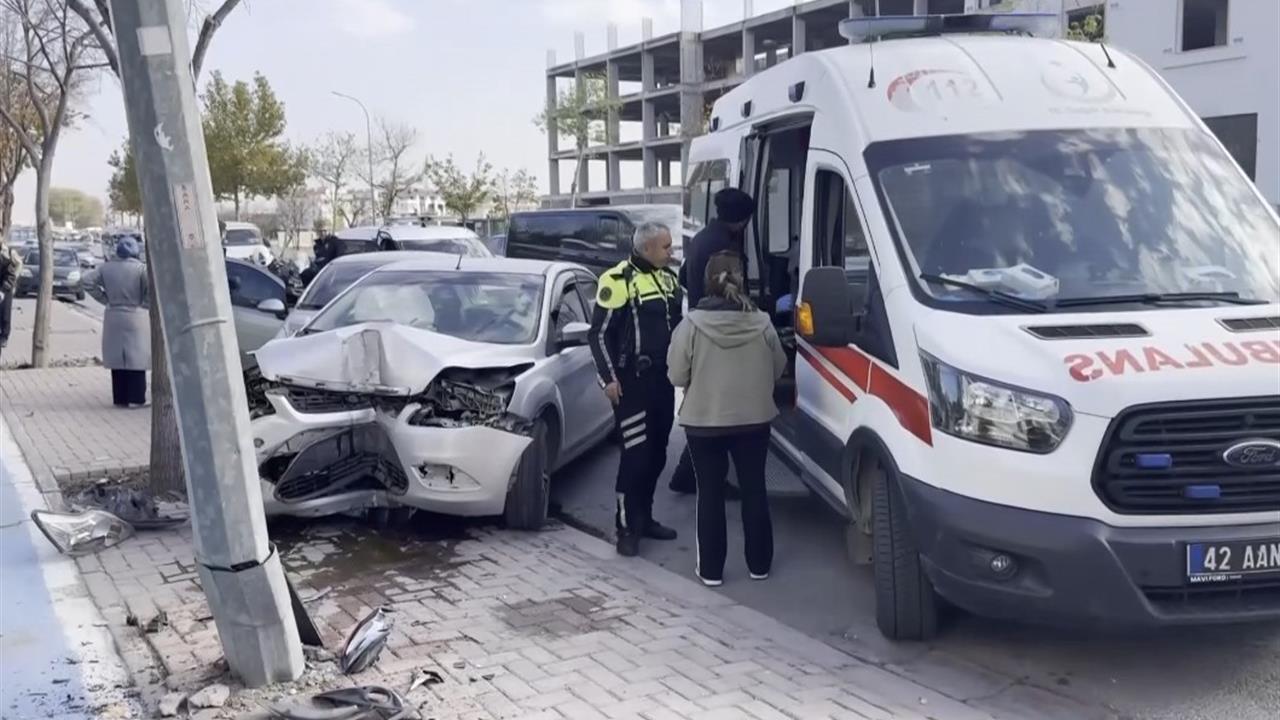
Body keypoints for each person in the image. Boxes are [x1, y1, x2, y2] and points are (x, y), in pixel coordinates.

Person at [668, 251, 786, 586]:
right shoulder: (762, 322)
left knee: (709, 493)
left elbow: (676, 375)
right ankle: (759, 566)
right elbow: (778, 367)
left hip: (704, 422)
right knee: (754, 489)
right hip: (754, 420)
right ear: (742, 279)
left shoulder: (691, 324)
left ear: (707, 281)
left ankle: (711, 571)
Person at [588, 222, 683, 557]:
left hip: (663, 381)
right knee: (636, 457)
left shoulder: (670, 279)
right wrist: (609, 379)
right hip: (632, 384)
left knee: (657, 454)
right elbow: (598, 335)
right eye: (666, 246)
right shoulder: (617, 280)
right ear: (647, 248)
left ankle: (645, 517)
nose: (671, 252)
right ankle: (626, 527)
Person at [669, 187, 757, 494]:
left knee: (710, 408)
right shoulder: (725, 247)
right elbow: (733, 292)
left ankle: (686, 474)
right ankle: (697, 477)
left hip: (700, 326)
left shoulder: (701, 238)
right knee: (719, 413)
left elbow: (683, 278)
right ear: (742, 220)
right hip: (719, 332)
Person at [83, 237, 151, 407]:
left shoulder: (106, 267)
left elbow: (86, 281)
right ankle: (136, 398)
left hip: (113, 315)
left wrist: (104, 299)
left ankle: (120, 398)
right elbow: (151, 288)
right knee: (136, 359)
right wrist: (145, 304)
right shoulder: (141, 269)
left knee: (117, 358)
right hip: (136, 315)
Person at [0, 237, 22, 358]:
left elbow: (13, 271)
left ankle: (4, 336)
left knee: (4, 314)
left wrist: (6, 288)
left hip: (4, 290)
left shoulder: (8, 253)